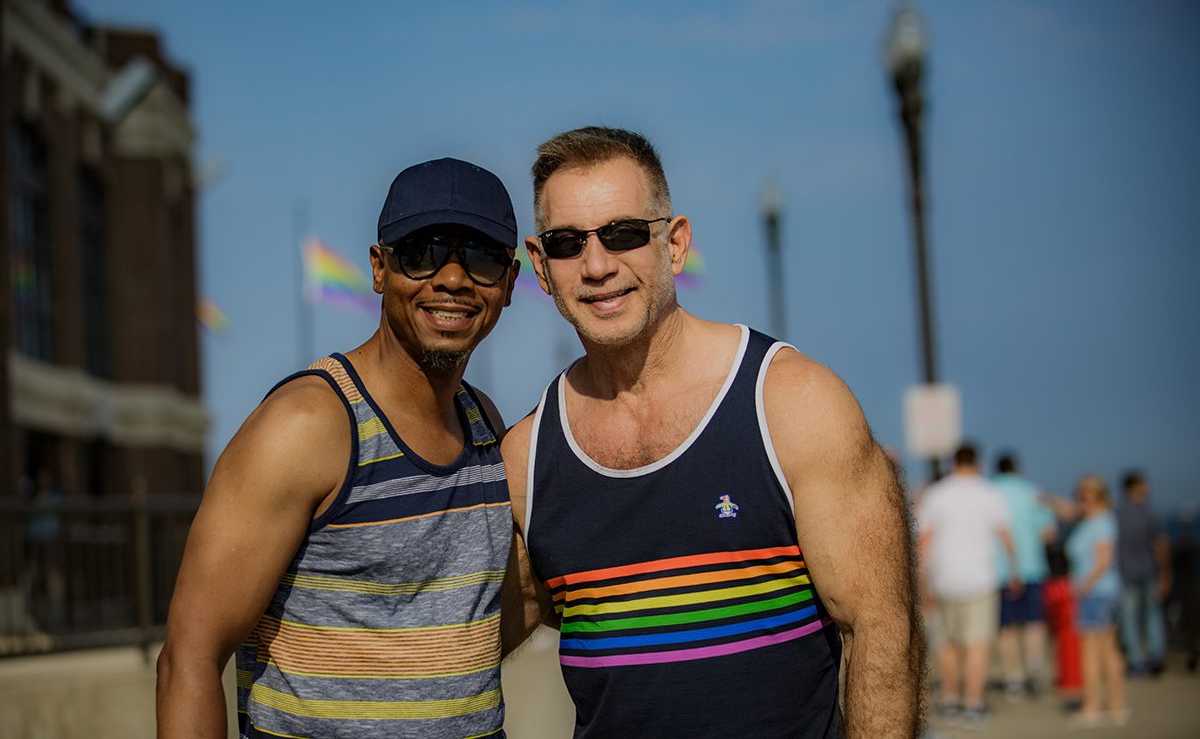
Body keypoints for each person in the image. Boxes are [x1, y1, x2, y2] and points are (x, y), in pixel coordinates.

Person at [502, 126, 922, 738]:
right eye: (569, 243)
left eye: (623, 234)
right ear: (540, 266)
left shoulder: (792, 401)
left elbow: (882, 630)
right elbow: (460, 643)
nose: (597, 265)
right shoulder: (529, 456)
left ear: (675, 244)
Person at [156, 158, 521, 738]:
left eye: (479, 257)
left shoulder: (483, 424)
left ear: (509, 283)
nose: (451, 279)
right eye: (421, 253)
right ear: (379, 269)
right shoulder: (307, 425)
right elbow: (189, 658)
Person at [918, 443, 1018, 728]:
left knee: (946, 643)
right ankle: (973, 704)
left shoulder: (937, 493)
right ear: (978, 462)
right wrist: (1014, 570)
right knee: (977, 644)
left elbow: (924, 540)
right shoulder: (989, 493)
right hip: (980, 579)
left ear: (953, 463)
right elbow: (1005, 535)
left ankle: (950, 698)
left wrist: (922, 580)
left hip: (943, 578)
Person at [1050, 475, 1128, 728]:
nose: (1082, 500)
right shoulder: (1093, 519)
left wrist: (1081, 588)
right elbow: (1067, 510)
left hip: (1094, 593)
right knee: (1107, 649)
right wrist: (1046, 499)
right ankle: (1116, 706)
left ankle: (1093, 705)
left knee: (1092, 652)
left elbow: (1103, 561)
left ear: (1099, 495)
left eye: (1087, 495)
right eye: (1080, 494)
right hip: (1100, 591)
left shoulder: (1101, 522)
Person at [992, 451, 1055, 699]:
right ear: (1017, 469)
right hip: (1031, 568)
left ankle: (1013, 678)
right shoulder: (1033, 492)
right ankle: (1035, 665)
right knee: (1034, 622)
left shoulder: (991, 492)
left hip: (999, 571)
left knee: (1006, 628)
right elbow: (1048, 532)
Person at [1115, 469, 1171, 676]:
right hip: (1148, 572)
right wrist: (1165, 574)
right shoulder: (1149, 512)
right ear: (1134, 487)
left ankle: (1136, 661)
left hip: (1125, 573)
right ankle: (1156, 655)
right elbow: (1161, 545)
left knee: (1129, 617)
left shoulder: (1117, 513)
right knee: (1152, 615)